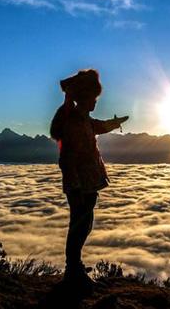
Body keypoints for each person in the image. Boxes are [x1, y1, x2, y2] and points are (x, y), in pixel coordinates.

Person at [49, 69, 128, 289]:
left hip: (86, 183)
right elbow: (68, 157)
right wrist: (74, 186)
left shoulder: (81, 118)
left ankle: (74, 269)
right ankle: (73, 271)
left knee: (83, 225)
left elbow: (98, 126)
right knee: (79, 226)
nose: (95, 102)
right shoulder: (74, 120)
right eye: (94, 98)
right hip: (79, 184)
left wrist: (115, 123)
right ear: (85, 97)